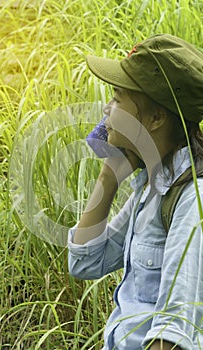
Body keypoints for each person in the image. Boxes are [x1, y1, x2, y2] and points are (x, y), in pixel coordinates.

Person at [68, 34, 203, 349]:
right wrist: (111, 172)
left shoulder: (190, 200)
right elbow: (86, 262)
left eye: (117, 98)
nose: (106, 107)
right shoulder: (156, 183)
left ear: (155, 118)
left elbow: (172, 335)